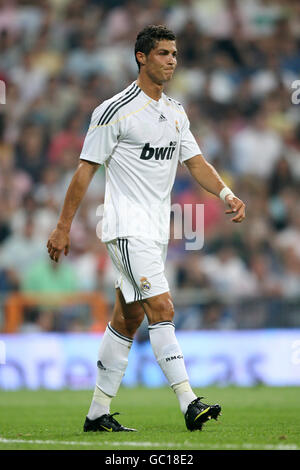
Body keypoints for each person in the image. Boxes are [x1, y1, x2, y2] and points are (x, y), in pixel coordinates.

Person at [47, 25, 246, 432]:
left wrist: (225, 193)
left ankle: (97, 413)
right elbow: (86, 171)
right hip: (124, 227)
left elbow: (195, 163)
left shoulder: (175, 112)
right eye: (163, 53)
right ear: (142, 56)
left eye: (174, 54)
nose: (172, 60)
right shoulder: (114, 109)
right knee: (163, 308)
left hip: (156, 232)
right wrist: (63, 226)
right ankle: (189, 402)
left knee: (128, 318)